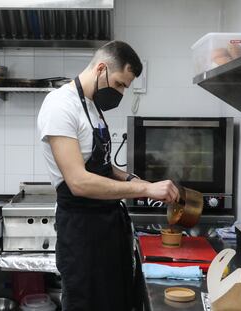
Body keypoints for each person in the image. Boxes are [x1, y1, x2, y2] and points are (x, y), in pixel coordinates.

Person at [37, 40, 179, 311]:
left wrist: (134, 180)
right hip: (82, 233)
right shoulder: (60, 105)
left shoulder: (92, 107)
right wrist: (146, 191)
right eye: (119, 84)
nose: (121, 92)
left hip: (106, 228)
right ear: (101, 68)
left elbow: (102, 166)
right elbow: (78, 181)